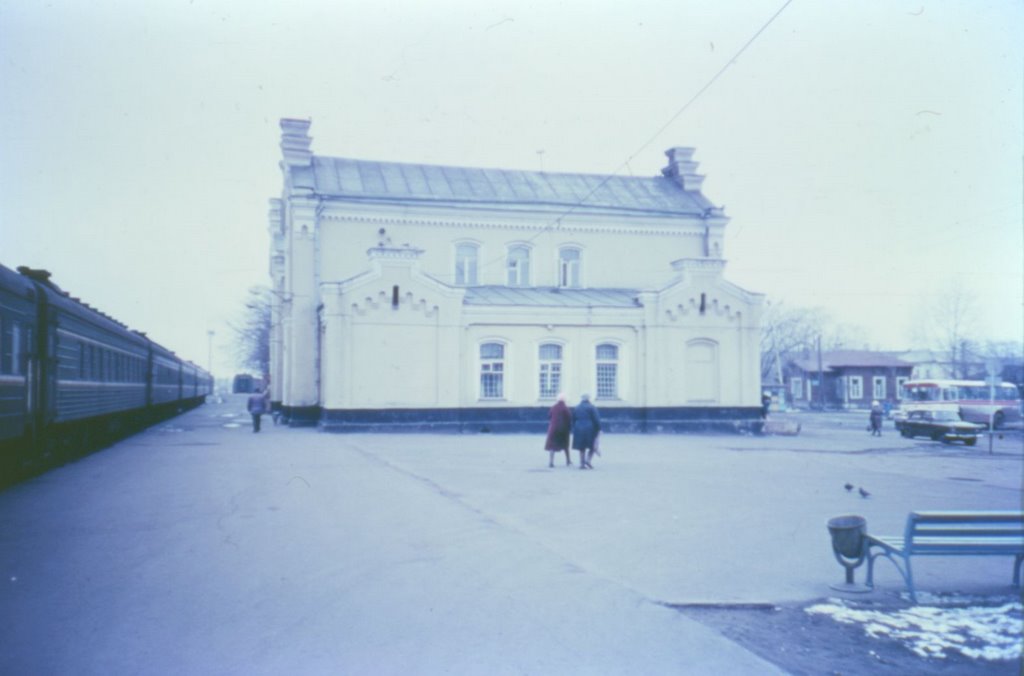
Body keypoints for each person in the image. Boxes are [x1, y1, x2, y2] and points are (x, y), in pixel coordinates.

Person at [572, 394, 601, 470]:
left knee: (581, 446)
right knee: (592, 445)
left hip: (578, 427)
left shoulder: (577, 407)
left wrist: (574, 428)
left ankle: (582, 463)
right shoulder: (592, 407)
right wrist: (598, 429)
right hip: (590, 428)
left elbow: (573, 419)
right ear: (589, 399)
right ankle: (588, 460)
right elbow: (596, 419)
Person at [544, 393, 573, 468]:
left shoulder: (553, 407)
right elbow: (569, 418)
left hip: (553, 429)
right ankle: (568, 460)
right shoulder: (565, 408)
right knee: (565, 445)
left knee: (552, 446)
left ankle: (551, 462)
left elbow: (549, 416)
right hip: (563, 429)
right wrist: (569, 428)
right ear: (564, 400)